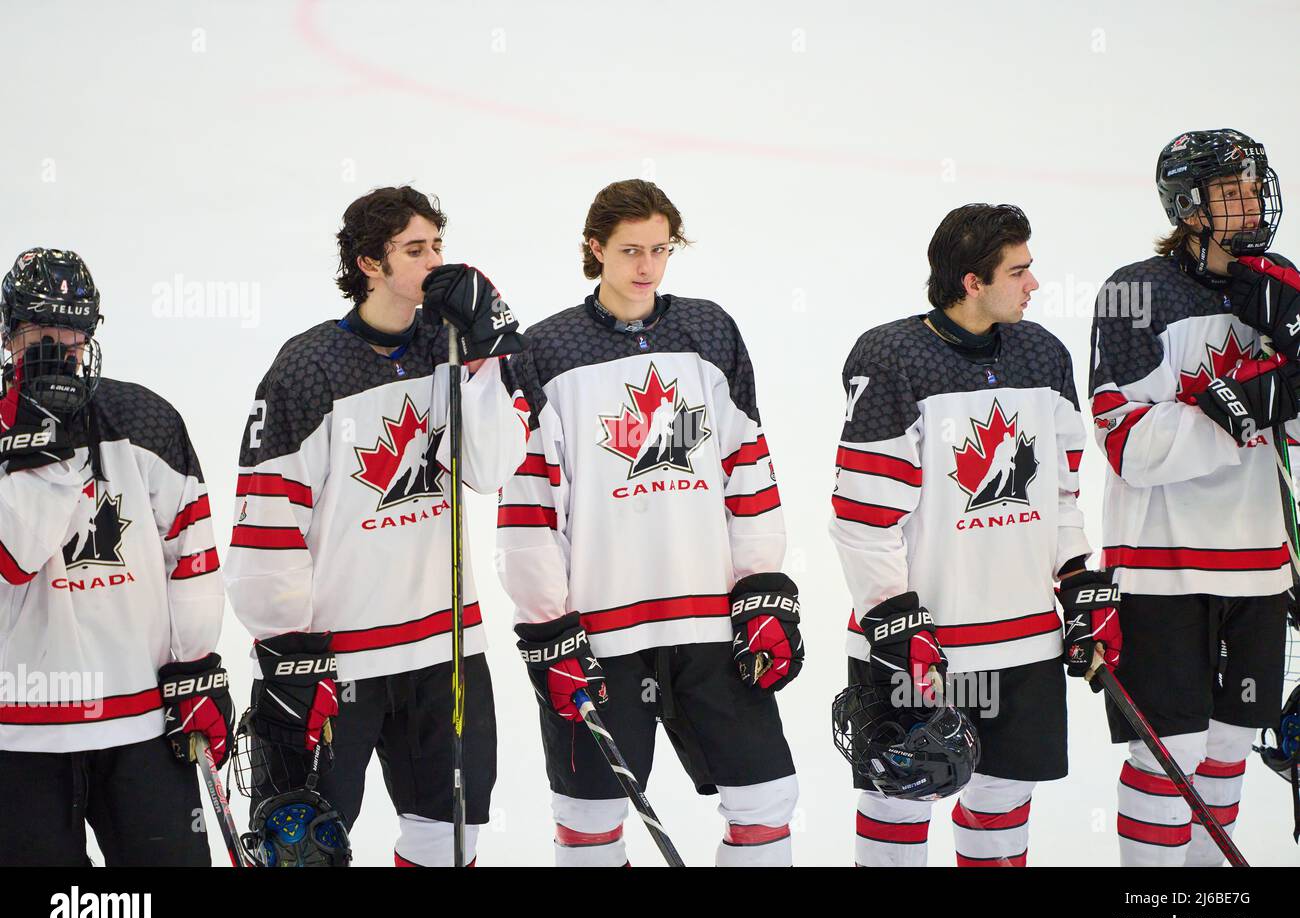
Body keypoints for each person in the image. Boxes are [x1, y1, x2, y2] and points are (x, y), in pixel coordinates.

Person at [498, 179, 801, 866]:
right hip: (600, 633)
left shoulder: (709, 330)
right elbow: (529, 506)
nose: (646, 267)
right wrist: (547, 623)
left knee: (766, 799)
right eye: (630, 249)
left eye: (660, 249)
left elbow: (747, 465)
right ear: (594, 248)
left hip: (711, 624)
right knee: (588, 820)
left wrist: (762, 587)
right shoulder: (545, 351)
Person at [224, 186, 528, 867]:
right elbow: (269, 516)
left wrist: (487, 359)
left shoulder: (450, 347)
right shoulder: (307, 368)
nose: (435, 263)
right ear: (369, 263)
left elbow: (492, 466)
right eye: (414, 251)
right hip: (336, 662)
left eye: (438, 247)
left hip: (444, 650)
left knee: (447, 844)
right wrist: (287, 648)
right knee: (304, 851)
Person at [831, 204, 1097, 866]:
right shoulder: (893, 354)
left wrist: (1079, 580)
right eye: (1019, 271)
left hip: (1026, 644)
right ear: (972, 282)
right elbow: (862, 515)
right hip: (919, 645)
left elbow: (1062, 493)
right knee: (895, 801)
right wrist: (893, 619)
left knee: (1002, 807)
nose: (1034, 285)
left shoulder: (1043, 354)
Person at [1089, 128, 1296, 865]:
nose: (1249, 204)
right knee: (1166, 753)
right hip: (1160, 569)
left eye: (1252, 187)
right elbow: (1130, 446)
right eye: (1228, 192)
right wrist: (1246, 405)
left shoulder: (1281, 285)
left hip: (1262, 568)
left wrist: (1277, 399)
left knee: (1231, 745)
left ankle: (1206, 909)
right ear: (1188, 207)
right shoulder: (1134, 293)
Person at [0, 247, 228, 865]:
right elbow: (14, 556)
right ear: (10, 334)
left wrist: (196, 661)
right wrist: (39, 446)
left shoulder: (145, 418)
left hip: (141, 722)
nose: (56, 349)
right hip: (20, 733)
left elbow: (192, 552)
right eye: (38, 332)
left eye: (70, 334)